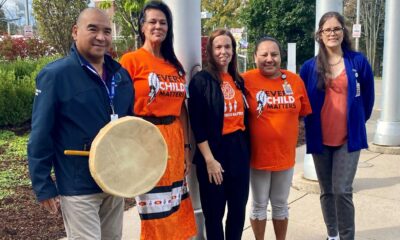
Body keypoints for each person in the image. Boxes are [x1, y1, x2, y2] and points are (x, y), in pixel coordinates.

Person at [27, 8, 134, 239]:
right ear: (76, 32)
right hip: (78, 185)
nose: (101, 37)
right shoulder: (55, 75)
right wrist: (43, 184)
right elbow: (40, 133)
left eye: (107, 31)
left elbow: (130, 128)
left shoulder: (120, 75)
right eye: (92, 29)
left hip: (114, 181)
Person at [119, 1, 196, 239]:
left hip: (173, 138)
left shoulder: (175, 66)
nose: (158, 26)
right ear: (142, 26)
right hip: (146, 140)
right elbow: (121, 107)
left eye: (163, 22)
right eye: (152, 21)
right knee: (154, 209)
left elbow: (181, 109)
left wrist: (185, 147)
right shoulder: (130, 61)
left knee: (174, 204)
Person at [300, 12, 374, 240]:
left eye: (336, 29)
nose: (332, 33)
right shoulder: (309, 67)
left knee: (342, 191)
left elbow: (368, 100)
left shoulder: (357, 61)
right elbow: (303, 104)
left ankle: (346, 237)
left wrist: (356, 122)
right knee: (327, 191)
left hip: (348, 139)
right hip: (320, 138)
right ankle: (332, 235)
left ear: (344, 32)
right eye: (327, 30)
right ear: (320, 35)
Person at [242, 36, 312, 240]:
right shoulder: (245, 80)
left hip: (285, 157)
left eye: (274, 54)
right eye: (264, 54)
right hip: (258, 158)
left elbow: (301, 114)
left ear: (281, 56)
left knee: (281, 205)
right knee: (259, 205)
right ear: (255, 56)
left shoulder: (294, 80)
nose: (269, 59)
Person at [188, 29, 250, 240]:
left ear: (233, 50)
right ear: (210, 51)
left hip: (239, 152)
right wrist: (209, 160)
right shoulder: (201, 81)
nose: (223, 51)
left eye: (227, 46)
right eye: (218, 47)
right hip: (213, 154)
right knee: (214, 215)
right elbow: (197, 123)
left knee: (238, 211)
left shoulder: (238, 80)